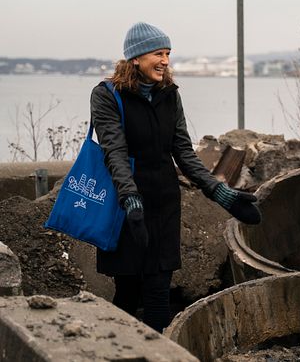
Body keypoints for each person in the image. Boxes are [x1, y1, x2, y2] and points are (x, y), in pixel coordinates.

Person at [90, 22, 261, 333]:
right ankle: (115, 349)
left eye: (168, 53)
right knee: (128, 290)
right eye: (158, 53)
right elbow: (114, 151)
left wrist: (220, 193)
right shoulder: (107, 96)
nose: (165, 61)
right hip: (124, 205)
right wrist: (130, 200)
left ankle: (159, 353)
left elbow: (183, 152)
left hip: (164, 204)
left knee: (158, 292)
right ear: (136, 58)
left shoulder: (169, 94)